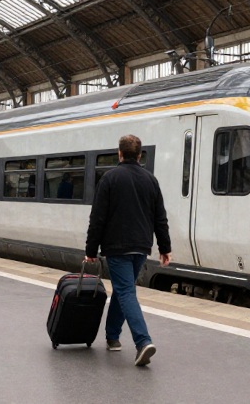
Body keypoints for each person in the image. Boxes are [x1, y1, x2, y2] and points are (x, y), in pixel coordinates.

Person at [85, 135, 171, 367]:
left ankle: (143, 342)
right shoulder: (151, 180)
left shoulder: (110, 178)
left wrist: (91, 249)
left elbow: (98, 218)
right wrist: (165, 248)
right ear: (140, 155)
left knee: (125, 292)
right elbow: (160, 218)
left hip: (117, 246)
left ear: (119, 154)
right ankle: (112, 337)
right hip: (141, 247)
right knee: (124, 290)